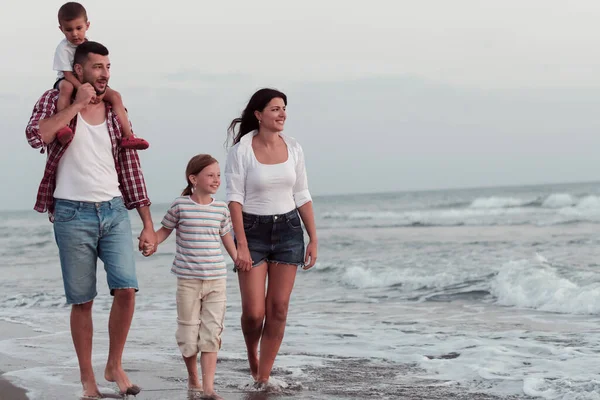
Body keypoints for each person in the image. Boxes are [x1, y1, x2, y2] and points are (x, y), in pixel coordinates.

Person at [25, 40, 157, 399]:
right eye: (98, 67)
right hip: (71, 213)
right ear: (79, 70)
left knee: (127, 290)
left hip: (113, 210)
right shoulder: (56, 100)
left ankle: (114, 365)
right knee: (82, 300)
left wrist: (147, 221)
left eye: (108, 67)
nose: (105, 73)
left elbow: (131, 166)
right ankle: (88, 381)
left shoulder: (115, 108)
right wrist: (78, 105)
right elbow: (36, 135)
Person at [224, 88, 318, 388]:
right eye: (275, 109)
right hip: (252, 232)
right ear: (259, 114)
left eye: (284, 108)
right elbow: (234, 199)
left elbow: (302, 194)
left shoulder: (294, 148)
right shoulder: (241, 151)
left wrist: (313, 237)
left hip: (289, 231)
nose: (282, 114)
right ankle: (252, 350)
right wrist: (241, 244)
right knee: (254, 313)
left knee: (278, 307)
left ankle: (263, 377)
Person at [149, 154, 237, 400]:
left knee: (211, 333)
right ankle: (193, 378)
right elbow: (164, 231)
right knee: (188, 335)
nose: (216, 180)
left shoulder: (221, 208)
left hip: (216, 280)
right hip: (188, 281)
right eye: (210, 175)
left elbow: (226, 238)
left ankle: (208, 388)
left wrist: (238, 258)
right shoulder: (180, 205)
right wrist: (150, 242)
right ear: (193, 178)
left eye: (219, 175)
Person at [52, 2, 149, 150]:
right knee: (66, 87)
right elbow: (67, 74)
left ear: (87, 25)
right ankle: (62, 127)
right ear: (61, 29)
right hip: (69, 79)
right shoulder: (63, 48)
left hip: (88, 81)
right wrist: (84, 89)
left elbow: (96, 70)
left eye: (79, 28)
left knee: (115, 96)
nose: (75, 34)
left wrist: (99, 91)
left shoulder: (89, 45)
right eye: (69, 30)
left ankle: (128, 135)